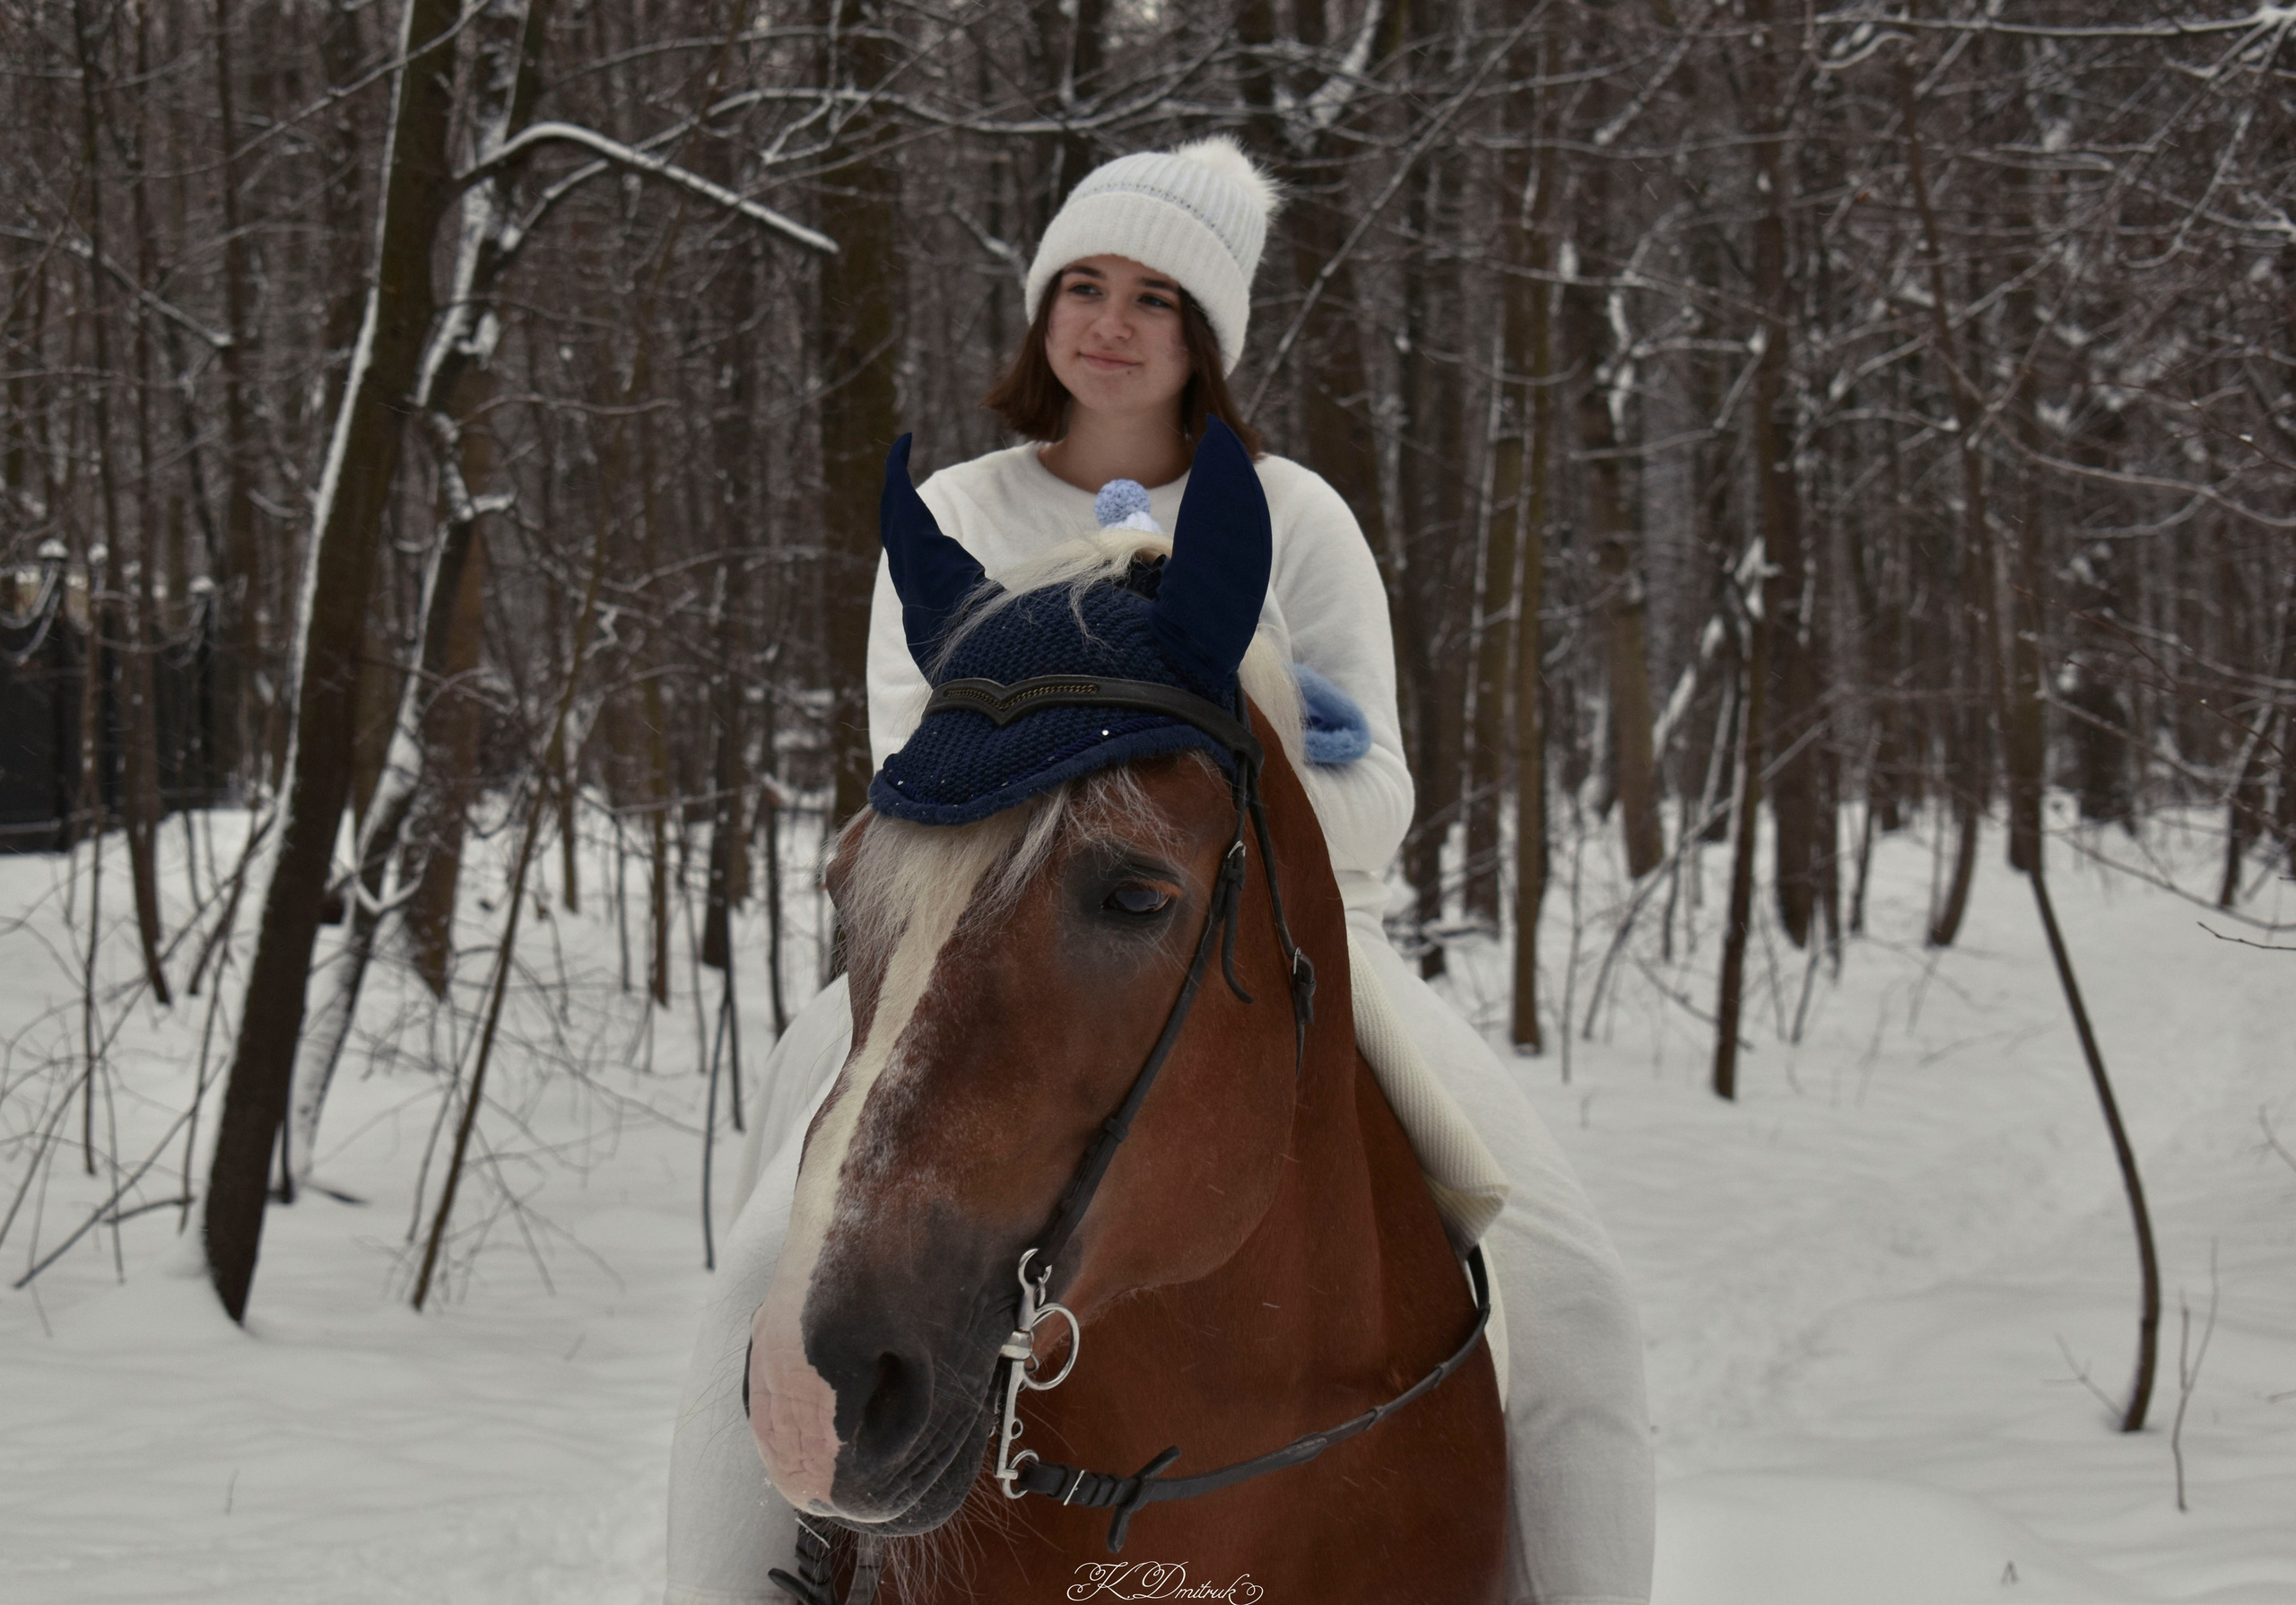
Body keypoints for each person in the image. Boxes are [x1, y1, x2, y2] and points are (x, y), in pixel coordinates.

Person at [666, 136, 1655, 1605]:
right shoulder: (957, 515)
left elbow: (1376, 797)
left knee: (1576, 1300)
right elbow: (915, 782)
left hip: (1288, 948)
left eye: (1154, 297)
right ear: (1039, 310)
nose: (1108, 322)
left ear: (1206, 339)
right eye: (1081, 284)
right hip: (948, 945)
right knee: (760, 1281)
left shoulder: (1294, 517)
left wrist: (1250, 734)